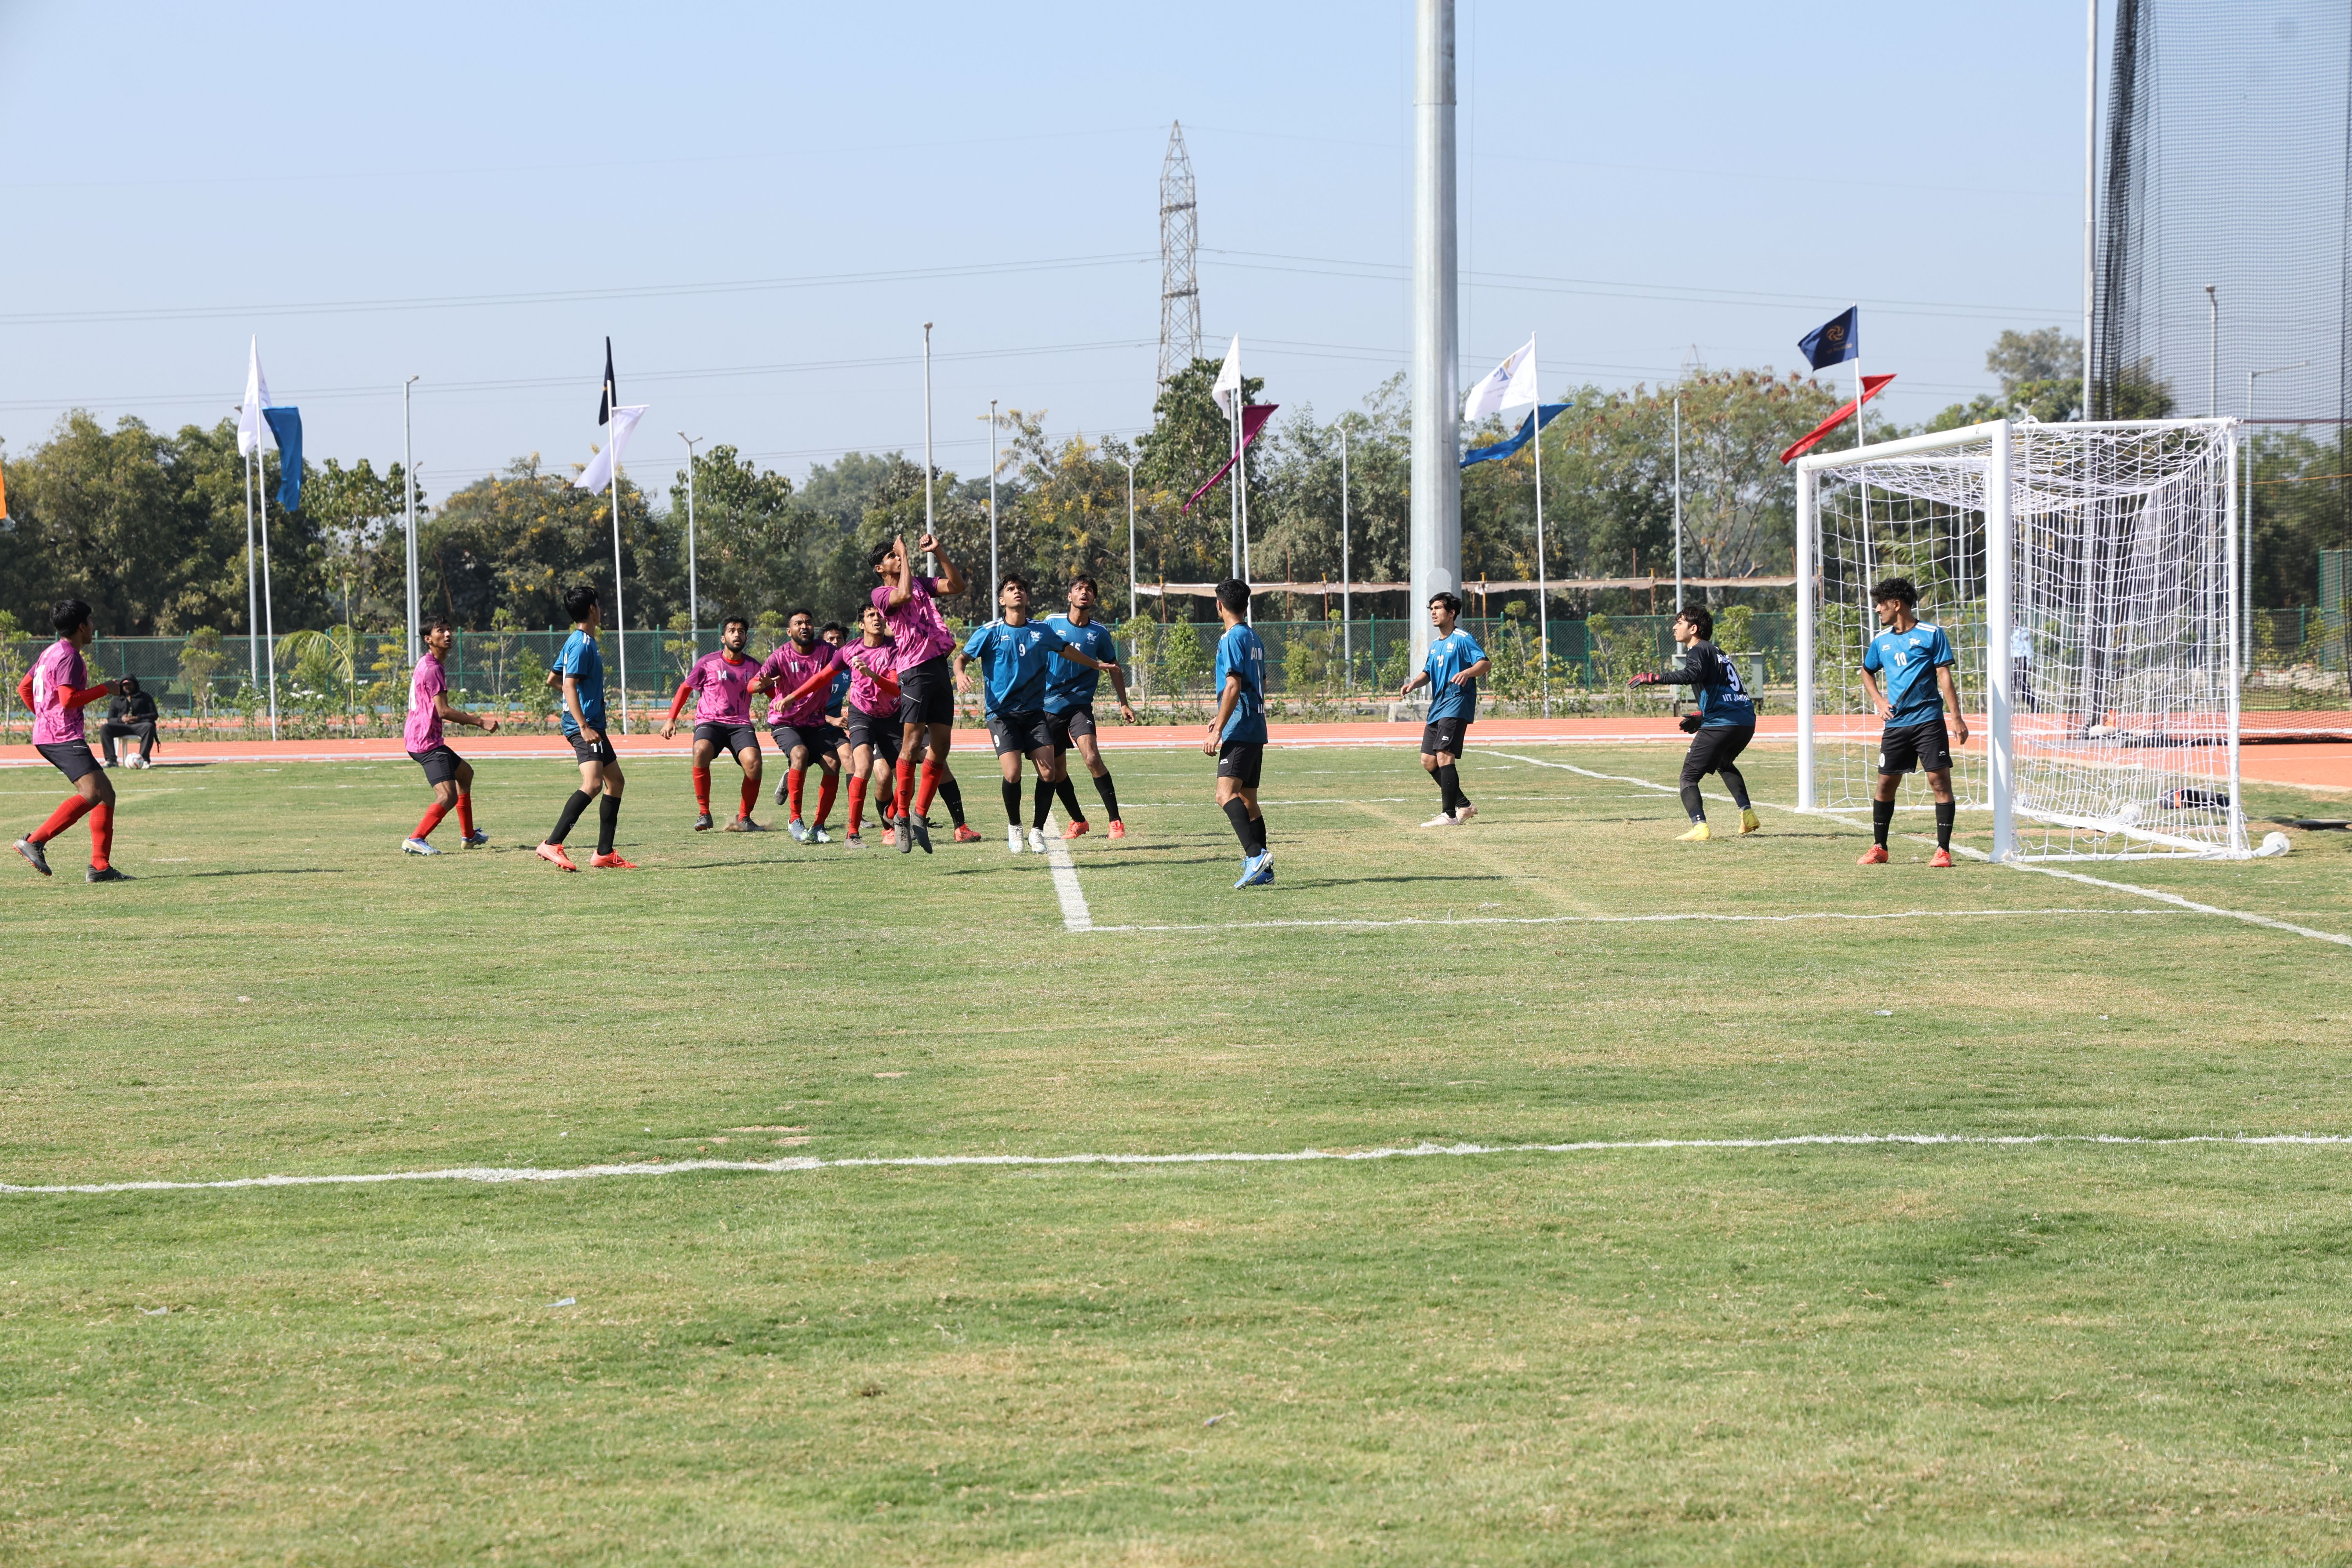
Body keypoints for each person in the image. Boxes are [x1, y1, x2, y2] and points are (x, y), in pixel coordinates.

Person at [955, 574, 1117, 854]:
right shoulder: (989, 631)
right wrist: (960, 674)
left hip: (1034, 713)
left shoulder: (1041, 631)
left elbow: (1066, 650)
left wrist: (1095, 664)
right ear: (1002, 600)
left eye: (1021, 589)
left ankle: (1037, 832)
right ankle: (1015, 827)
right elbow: (962, 659)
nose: (1017, 592)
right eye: (1011, 589)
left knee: (1049, 772)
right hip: (1002, 714)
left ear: (1028, 598)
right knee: (1013, 773)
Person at [1857, 576, 1969, 868]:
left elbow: (1944, 676)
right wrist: (1879, 701)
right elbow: (1867, 671)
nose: (1877, 610)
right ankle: (1880, 848)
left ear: (1896, 604)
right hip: (1896, 725)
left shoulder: (1932, 634)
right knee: (1885, 785)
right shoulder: (1881, 641)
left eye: (1881, 604)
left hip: (1929, 721)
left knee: (1939, 782)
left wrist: (1956, 718)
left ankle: (1943, 851)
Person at [13, 599, 129, 882]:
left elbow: (24, 687)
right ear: (81, 627)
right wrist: (105, 689)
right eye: (90, 621)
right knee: (94, 793)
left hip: (51, 734)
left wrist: (44, 717)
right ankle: (35, 841)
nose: (93, 626)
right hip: (63, 736)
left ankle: (100, 867)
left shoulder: (50, 652)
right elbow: (68, 699)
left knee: (106, 794)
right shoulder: (70, 657)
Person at [870, 531, 967, 854]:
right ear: (880, 569)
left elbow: (957, 586)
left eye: (897, 554)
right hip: (914, 671)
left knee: (941, 746)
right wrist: (906, 555)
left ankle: (920, 815)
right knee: (912, 744)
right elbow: (904, 595)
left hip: (938, 667)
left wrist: (939, 552)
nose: (897, 558)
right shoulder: (881, 593)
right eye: (892, 557)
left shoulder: (921, 583)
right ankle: (900, 816)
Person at [1629, 603, 1759, 841]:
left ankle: (1700, 827)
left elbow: (1692, 674)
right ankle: (1748, 814)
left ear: (1694, 628)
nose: (1674, 627)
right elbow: (1727, 690)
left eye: (1679, 622)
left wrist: (1654, 678)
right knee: (1723, 763)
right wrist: (1704, 715)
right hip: (1745, 721)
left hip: (1723, 721)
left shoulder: (1698, 649)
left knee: (1688, 777)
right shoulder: (1718, 652)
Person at [536, 584, 636, 871]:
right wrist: (582, 724)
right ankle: (552, 843)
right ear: (593, 609)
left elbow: (553, 679)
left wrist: (579, 703)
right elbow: (568, 684)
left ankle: (604, 853)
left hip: (592, 725)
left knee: (615, 782)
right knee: (593, 784)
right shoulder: (582, 644)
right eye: (599, 605)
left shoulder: (578, 641)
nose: (600, 609)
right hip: (586, 726)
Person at [1044, 575, 1138, 842]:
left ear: (1094, 599)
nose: (1084, 593)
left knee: (1092, 758)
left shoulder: (1099, 633)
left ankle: (1115, 821)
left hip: (1079, 705)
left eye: (1089, 590)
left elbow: (1115, 668)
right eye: (1079, 589)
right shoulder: (1051, 623)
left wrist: (1124, 703)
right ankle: (1079, 821)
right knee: (1056, 771)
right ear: (1070, 596)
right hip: (1049, 706)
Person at [402, 617, 499, 856]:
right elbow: (443, 711)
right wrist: (480, 722)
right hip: (426, 742)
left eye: (448, 630)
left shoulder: (429, 662)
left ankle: (469, 836)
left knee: (465, 774)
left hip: (421, 737)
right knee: (447, 796)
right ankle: (416, 838)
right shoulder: (433, 668)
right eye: (441, 631)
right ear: (428, 639)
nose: (448, 634)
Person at [661, 614, 765, 833]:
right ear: (723, 638)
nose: (737, 635)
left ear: (746, 638)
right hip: (710, 721)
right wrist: (671, 719)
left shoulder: (754, 666)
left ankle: (744, 818)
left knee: (754, 763)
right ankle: (704, 814)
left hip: (740, 724)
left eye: (741, 631)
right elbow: (685, 688)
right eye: (732, 631)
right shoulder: (707, 662)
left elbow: (774, 692)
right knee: (700, 750)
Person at [750, 610, 844, 843]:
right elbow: (752, 685)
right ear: (789, 631)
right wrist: (760, 684)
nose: (805, 626)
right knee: (800, 754)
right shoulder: (780, 656)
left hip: (814, 722)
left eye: (809, 623)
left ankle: (819, 827)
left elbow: (848, 657)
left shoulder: (826, 651)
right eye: (799, 623)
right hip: (785, 722)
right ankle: (795, 820)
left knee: (833, 763)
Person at [1397, 592, 1490, 828]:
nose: (1433, 613)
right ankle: (1465, 805)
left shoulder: (1463, 638)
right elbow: (1428, 672)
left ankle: (1449, 815)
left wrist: (1467, 672)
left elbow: (1485, 663)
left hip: (1457, 703)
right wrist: (1413, 684)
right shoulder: (1436, 645)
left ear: (1452, 613)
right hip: (1438, 706)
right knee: (1429, 761)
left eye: (1438, 608)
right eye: (1432, 609)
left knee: (1444, 755)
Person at [1203, 577, 1273, 888]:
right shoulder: (1254, 637)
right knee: (1248, 800)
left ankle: (1255, 856)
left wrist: (1219, 729)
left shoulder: (1231, 638)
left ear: (1219, 605)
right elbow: (1261, 683)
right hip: (1255, 726)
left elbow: (1233, 685)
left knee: (1224, 794)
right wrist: (1222, 714)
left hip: (1241, 728)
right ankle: (1265, 872)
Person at [98, 675, 160, 769]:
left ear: (135, 685)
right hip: (122, 726)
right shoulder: (116, 699)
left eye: (130, 685)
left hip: (139, 725)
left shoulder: (145, 697)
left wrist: (139, 718)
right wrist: (121, 720)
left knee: (150, 726)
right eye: (125, 685)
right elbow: (110, 719)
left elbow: (154, 715)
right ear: (122, 686)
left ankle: (144, 760)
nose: (127, 687)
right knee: (105, 728)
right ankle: (111, 760)